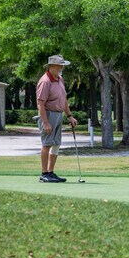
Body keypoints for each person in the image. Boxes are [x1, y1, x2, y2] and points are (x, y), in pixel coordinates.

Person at [36, 55, 77, 183]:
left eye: (62, 65)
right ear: (52, 66)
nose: (61, 68)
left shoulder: (60, 80)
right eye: (59, 65)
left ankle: (51, 172)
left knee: (56, 144)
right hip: (48, 115)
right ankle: (44, 174)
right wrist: (46, 122)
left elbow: (63, 99)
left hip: (59, 114)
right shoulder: (45, 82)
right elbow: (40, 104)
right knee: (47, 144)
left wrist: (69, 115)